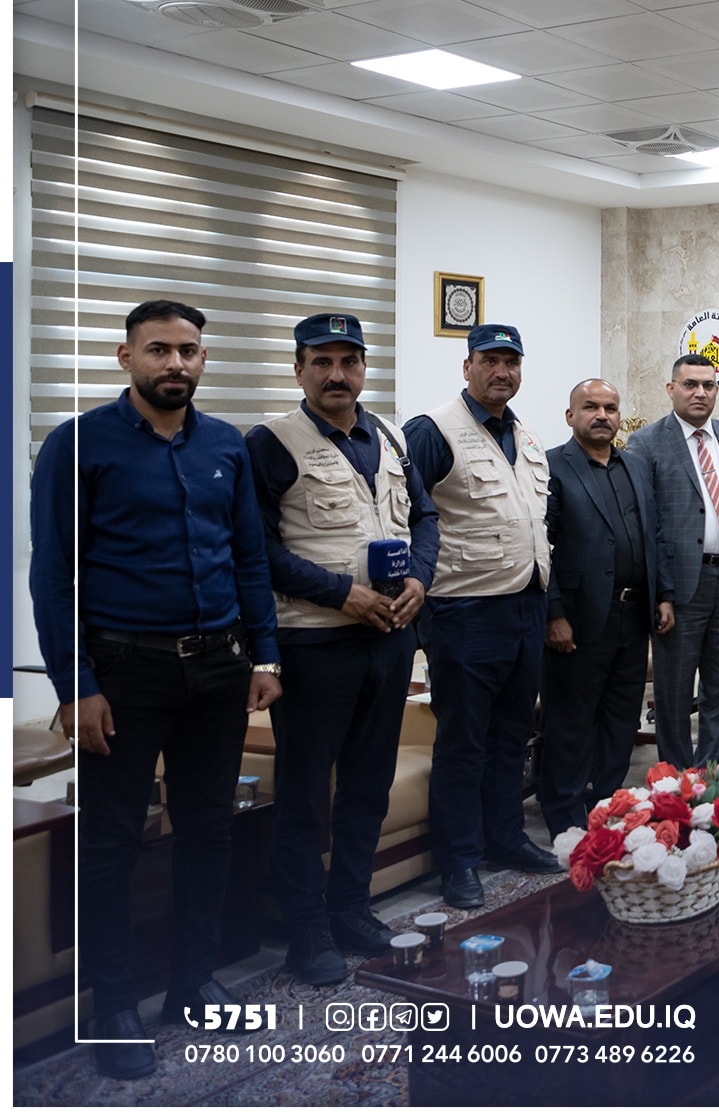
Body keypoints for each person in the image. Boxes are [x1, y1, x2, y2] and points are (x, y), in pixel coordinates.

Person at [29, 299, 282, 1080]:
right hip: (123, 673)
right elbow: (53, 575)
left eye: (189, 350)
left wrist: (266, 657)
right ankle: (112, 1007)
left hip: (219, 666)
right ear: (126, 357)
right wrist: (76, 684)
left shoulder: (225, 444)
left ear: (203, 358)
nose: (176, 363)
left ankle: (193, 985)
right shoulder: (78, 444)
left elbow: (249, 556)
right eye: (159, 350)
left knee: (209, 829)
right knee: (111, 842)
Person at [246, 312, 438, 984]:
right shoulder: (271, 442)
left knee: (367, 784)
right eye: (322, 362)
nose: (337, 375)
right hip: (314, 645)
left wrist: (420, 577)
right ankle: (307, 931)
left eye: (348, 362)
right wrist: (339, 594)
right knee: (306, 795)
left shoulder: (389, 435)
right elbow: (257, 549)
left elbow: (425, 517)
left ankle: (351, 908)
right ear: (298, 369)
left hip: (388, 640)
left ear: (363, 368)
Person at [404, 324, 558, 911]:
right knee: (464, 742)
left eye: (511, 362)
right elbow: (406, 517)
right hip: (464, 611)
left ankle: (506, 837)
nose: (502, 372)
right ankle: (459, 859)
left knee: (512, 736)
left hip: (525, 605)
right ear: (467, 366)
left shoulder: (526, 435)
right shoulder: (432, 431)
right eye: (490, 361)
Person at [625, 355, 719, 769]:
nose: (700, 393)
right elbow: (645, 526)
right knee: (674, 691)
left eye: (708, 385)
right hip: (680, 586)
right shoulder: (646, 443)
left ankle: (712, 777)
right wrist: (661, 592)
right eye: (690, 385)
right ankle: (675, 780)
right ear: (671, 389)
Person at [541, 379, 661, 836]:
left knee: (621, 720)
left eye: (610, 408)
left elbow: (652, 537)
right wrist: (554, 614)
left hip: (633, 614)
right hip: (577, 618)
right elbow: (541, 547)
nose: (602, 415)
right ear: (570, 415)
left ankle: (607, 806)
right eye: (590, 407)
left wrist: (663, 597)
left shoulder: (635, 466)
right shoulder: (551, 467)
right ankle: (564, 818)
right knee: (570, 723)